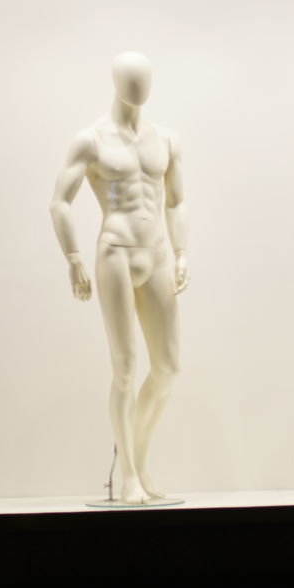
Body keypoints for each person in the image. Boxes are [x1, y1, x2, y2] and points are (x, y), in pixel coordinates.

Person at [49, 51, 188, 503]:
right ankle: (127, 475)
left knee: (167, 369)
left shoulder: (166, 139)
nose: (139, 86)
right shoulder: (90, 140)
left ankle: (139, 460)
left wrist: (183, 252)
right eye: (132, 79)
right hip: (116, 253)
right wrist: (72, 257)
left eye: (144, 79)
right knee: (125, 367)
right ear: (116, 82)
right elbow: (60, 201)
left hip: (159, 255)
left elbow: (175, 202)